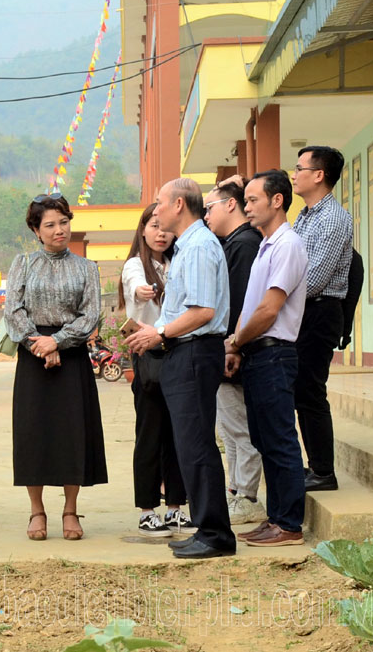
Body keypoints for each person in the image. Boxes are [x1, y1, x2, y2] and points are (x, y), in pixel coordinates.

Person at [125, 177, 235, 559]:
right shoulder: (189, 246)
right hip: (182, 350)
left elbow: (203, 311)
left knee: (197, 445)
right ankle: (207, 527)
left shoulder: (201, 246)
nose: (154, 211)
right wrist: (158, 331)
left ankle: (216, 535)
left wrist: (160, 332)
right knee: (189, 446)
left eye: (159, 203)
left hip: (193, 352)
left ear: (178, 205)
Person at [4, 193, 107, 541]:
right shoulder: (22, 263)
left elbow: (91, 314)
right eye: (50, 224)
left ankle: (69, 509)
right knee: (33, 432)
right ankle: (37, 510)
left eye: (63, 222)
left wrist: (58, 341)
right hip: (33, 355)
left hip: (72, 356)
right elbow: (13, 310)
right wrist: (38, 343)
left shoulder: (86, 268)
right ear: (36, 229)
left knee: (71, 433)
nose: (59, 229)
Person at [225, 170, 308, 547]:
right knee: (263, 438)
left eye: (254, 199)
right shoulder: (265, 245)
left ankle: (289, 524)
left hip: (274, 355)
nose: (247, 206)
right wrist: (236, 345)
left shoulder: (288, 244)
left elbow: (269, 310)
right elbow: (250, 305)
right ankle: (276, 518)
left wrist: (237, 341)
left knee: (279, 440)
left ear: (277, 200)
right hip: (257, 354)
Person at [118, 204, 189, 537]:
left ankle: (175, 508)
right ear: (143, 229)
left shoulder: (178, 262)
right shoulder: (136, 265)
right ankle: (148, 510)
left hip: (176, 354)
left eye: (166, 228)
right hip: (148, 358)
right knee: (150, 434)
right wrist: (141, 290)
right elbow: (135, 284)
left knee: (177, 436)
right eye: (154, 226)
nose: (161, 233)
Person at [203, 177, 266, 525]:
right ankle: (235, 491)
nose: (206, 215)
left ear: (231, 204)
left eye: (209, 207)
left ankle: (247, 495)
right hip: (228, 350)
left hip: (235, 351)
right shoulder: (232, 243)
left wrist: (234, 346)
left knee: (240, 429)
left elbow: (241, 302)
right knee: (228, 429)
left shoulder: (244, 244)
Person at [291, 145, 352, 492]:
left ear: (319, 175)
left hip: (320, 310)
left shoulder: (333, 218)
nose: (294, 174)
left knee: (310, 390)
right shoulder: (305, 215)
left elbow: (314, 279)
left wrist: (278, 296)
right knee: (301, 390)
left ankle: (323, 471)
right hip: (303, 309)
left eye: (300, 168)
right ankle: (313, 466)